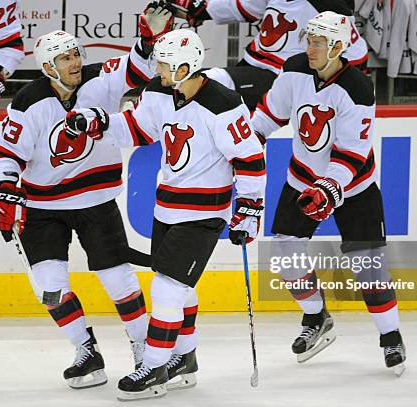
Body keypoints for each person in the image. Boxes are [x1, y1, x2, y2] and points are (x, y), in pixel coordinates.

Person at [64, 28, 267, 400]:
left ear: (185, 66)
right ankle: (184, 359)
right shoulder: (158, 91)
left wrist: (250, 209)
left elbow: (250, 159)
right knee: (179, 288)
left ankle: (155, 366)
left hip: (205, 212)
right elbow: (139, 129)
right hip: (167, 207)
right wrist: (100, 123)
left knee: (167, 290)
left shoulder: (222, 104)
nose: (156, 69)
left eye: (163, 63)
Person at [0, 3, 174, 389]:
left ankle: (144, 349)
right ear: (46, 68)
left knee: (119, 281)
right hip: (42, 208)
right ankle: (86, 351)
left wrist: (147, 39)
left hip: (96, 202)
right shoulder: (28, 102)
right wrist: (8, 190)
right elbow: (6, 155)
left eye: (76, 54)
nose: (74, 62)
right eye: (64, 58)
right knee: (49, 288)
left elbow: (136, 69)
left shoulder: (99, 80)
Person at [251, 11, 406, 374]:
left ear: (338, 46)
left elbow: (352, 153)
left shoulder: (357, 88)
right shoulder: (293, 69)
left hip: (354, 186)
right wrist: (243, 147)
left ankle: (391, 336)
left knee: (368, 269)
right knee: (286, 255)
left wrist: (329, 187)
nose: (310, 48)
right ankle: (316, 317)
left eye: (318, 42)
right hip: (303, 180)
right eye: (309, 40)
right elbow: (269, 115)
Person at [165, 0, 368, 111]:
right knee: (186, 81)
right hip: (251, 67)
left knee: (201, 83)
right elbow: (244, 6)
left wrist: (319, 88)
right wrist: (202, 9)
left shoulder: (329, 7)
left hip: (278, 78)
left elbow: (355, 53)